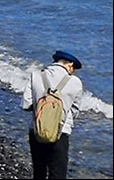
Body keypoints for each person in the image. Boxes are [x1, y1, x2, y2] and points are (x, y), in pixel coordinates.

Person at [22, 50, 85, 179]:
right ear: (70, 64)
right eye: (73, 69)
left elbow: (25, 104)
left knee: (39, 171)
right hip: (61, 132)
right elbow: (74, 112)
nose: (73, 72)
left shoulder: (36, 76)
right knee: (58, 173)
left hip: (36, 130)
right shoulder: (75, 82)